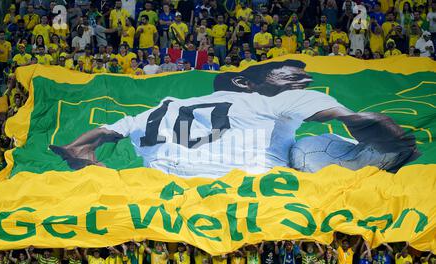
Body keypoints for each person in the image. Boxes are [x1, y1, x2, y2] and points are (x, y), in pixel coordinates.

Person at [49, 60, 420, 178]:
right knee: (307, 147)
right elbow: (352, 119)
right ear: (245, 83)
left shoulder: (159, 107)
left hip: (168, 193)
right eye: (288, 73)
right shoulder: (270, 100)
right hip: (249, 188)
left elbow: (86, 142)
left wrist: (85, 161)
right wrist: (394, 144)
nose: (301, 79)